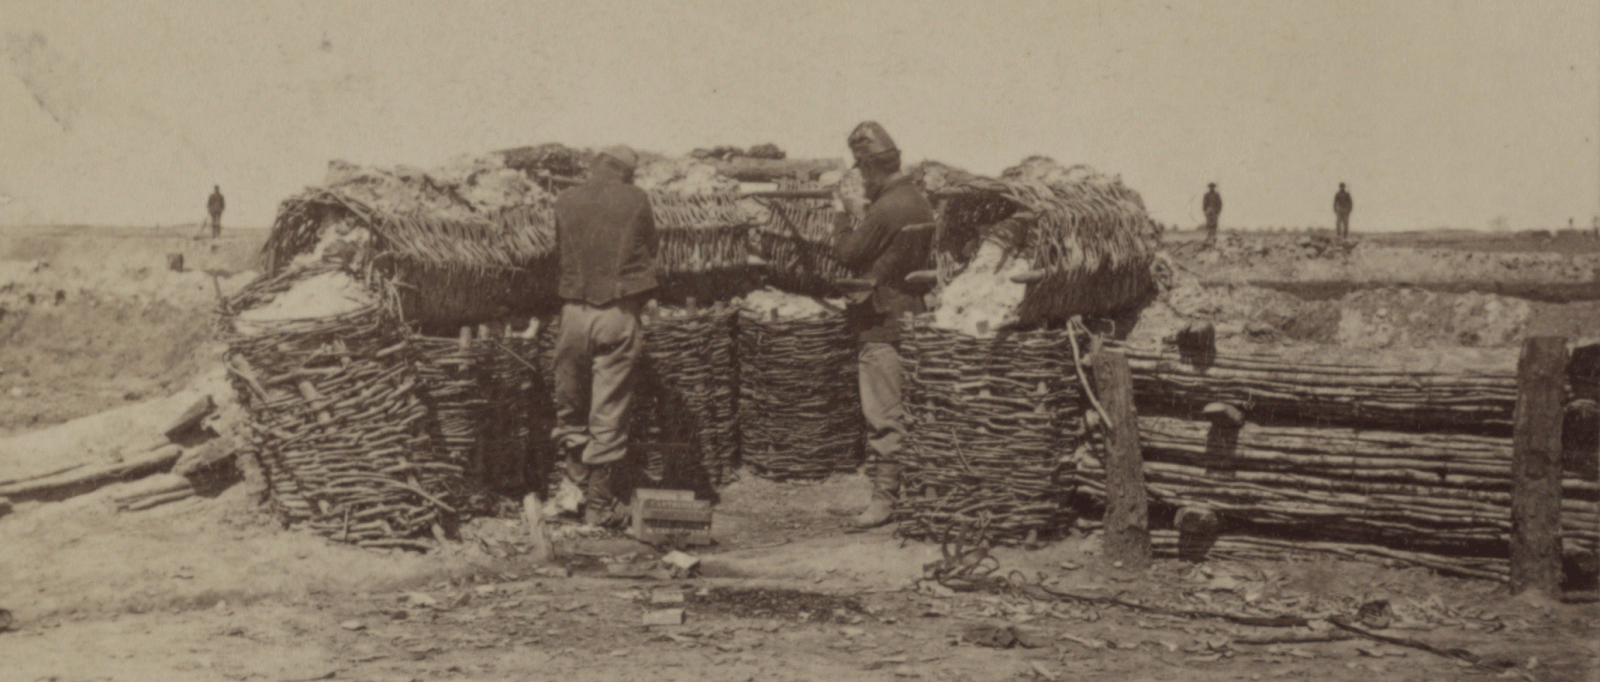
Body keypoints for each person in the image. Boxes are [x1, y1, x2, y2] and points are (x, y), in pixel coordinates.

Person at [831, 121, 935, 528]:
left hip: (881, 323)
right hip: (911, 314)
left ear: (869, 167)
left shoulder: (887, 207)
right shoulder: (915, 200)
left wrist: (842, 215)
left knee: (884, 414)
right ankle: (902, 493)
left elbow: (847, 254)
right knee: (907, 410)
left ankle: (884, 501)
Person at [550, 145, 657, 527]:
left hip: (573, 314)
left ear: (595, 167)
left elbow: (558, 251)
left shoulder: (565, 198)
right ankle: (599, 506)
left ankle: (570, 496)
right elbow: (651, 247)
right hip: (616, 312)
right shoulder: (636, 199)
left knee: (570, 406)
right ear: (627, 172)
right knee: (609, 411)